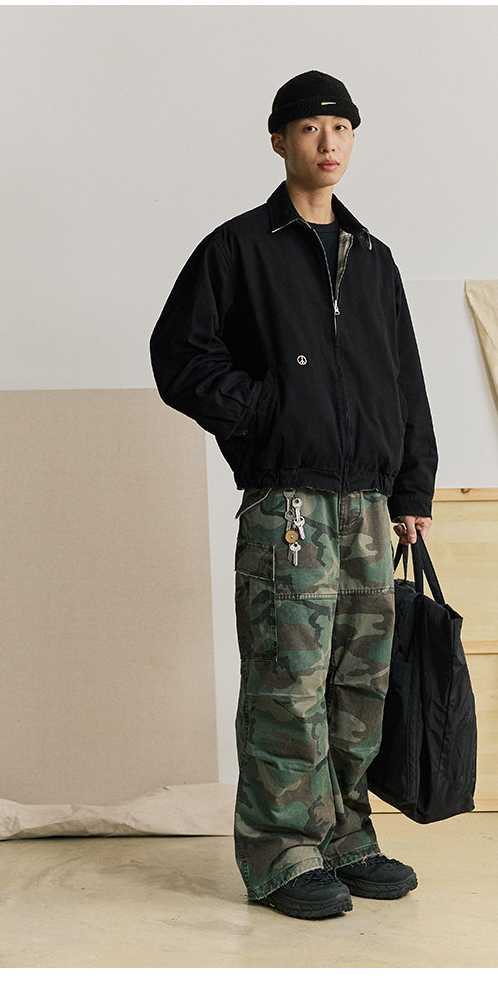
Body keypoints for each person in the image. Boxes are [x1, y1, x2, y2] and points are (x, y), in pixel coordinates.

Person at [150, 70, 437, 920]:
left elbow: (406, 382)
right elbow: (181, 356)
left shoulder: (375, 259)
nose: (328, 142)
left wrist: (412, 486)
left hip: (370, 508)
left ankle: (344, 836)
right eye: (311, 127)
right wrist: (266, 414)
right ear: (279, 140)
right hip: (291, 509)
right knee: (288, 682)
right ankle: (282, 852)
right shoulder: (239, 249)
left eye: (341, 127)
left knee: (359, 687)